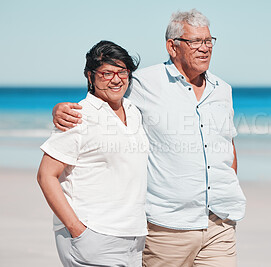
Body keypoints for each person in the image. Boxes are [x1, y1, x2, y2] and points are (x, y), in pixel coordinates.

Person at [52, 9, 246, 267]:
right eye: (195, 42)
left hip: (220, 224)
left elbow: (226, 144)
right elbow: (103, 94)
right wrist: (59, 110)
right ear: (172, 46)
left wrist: (228, 185)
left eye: (209, 41)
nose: (205, 48)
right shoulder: (143, 83)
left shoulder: (223, 90)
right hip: (168, 228)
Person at [37, 40, 149, 267]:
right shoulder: (78, 115)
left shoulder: (133, 110)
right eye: (107, 73)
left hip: (134, 238)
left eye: (122, 71)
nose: (116, 79)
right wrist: (78, 230)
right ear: (90, 76)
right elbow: (45, 175)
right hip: (93, 236)